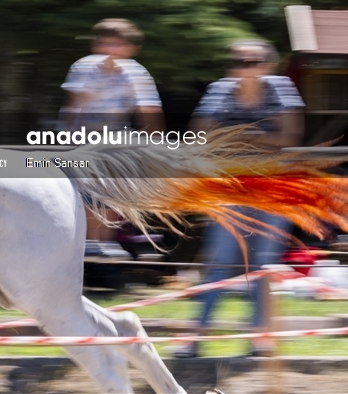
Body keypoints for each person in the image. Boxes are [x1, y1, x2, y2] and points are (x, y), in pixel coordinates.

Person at [175, 39, 304, 358]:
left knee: (262, 267)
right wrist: (259, 136)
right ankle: (195, 339)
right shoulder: (220, 90)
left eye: (252, 63)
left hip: (274, 190)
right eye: (237, 62)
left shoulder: (281, 89)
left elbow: (288, 138)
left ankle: (260, 340)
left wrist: (236, 135)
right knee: (218, 264)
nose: (243, 69)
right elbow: (201, 136)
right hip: (230, 188)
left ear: (267, 66)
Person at [61, 19, 164, 255]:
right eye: (105, 43)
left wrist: (157, 145)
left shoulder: (136, 72)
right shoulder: (84, 68)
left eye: (117, 44)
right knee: (91, 183)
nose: (110, 50)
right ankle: (90, 245)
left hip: (116, 136)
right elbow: (75, 109)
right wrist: (72, 143)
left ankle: (108, 242)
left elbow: (148, 110)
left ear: (129, 48)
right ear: (96, 46)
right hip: (83, 136)